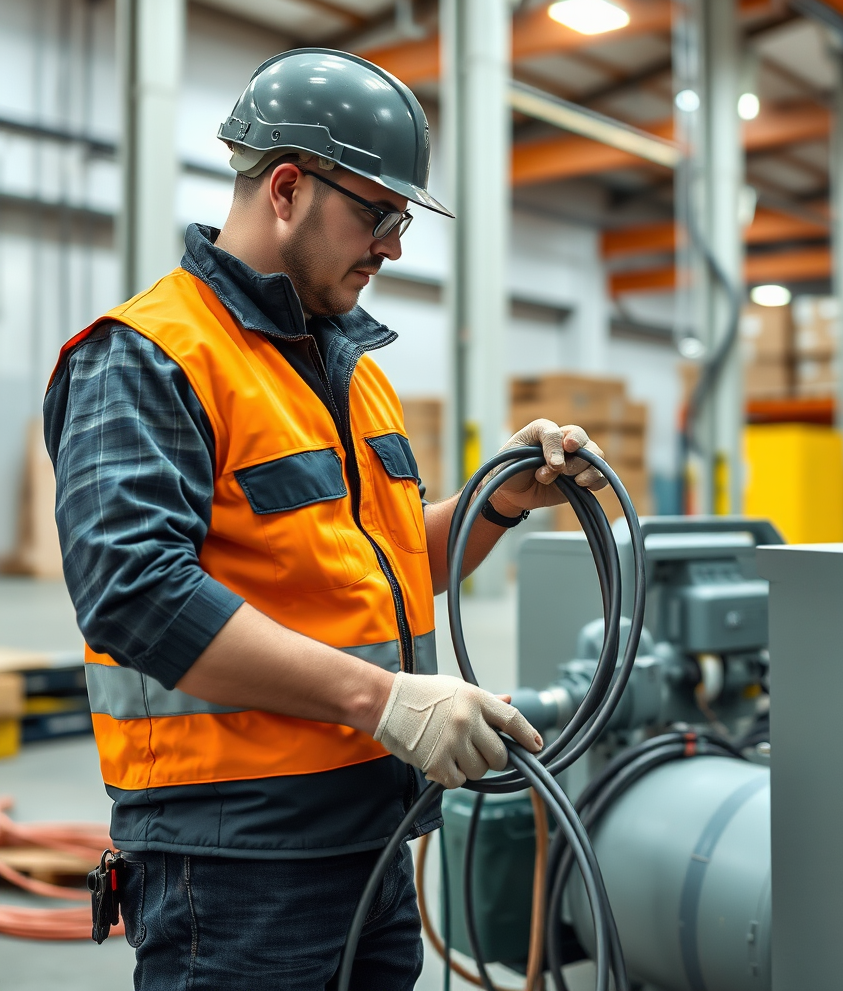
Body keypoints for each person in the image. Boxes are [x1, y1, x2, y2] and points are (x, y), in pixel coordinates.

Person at [43, 48, 607, 990]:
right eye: (379, 214)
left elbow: (378, 565)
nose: (393, 246)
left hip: (371, 842)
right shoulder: (146, 356)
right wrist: (383, 702)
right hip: (237, 867)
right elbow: (135, 595)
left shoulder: (349, 369)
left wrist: (496, 502)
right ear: (289, 188)